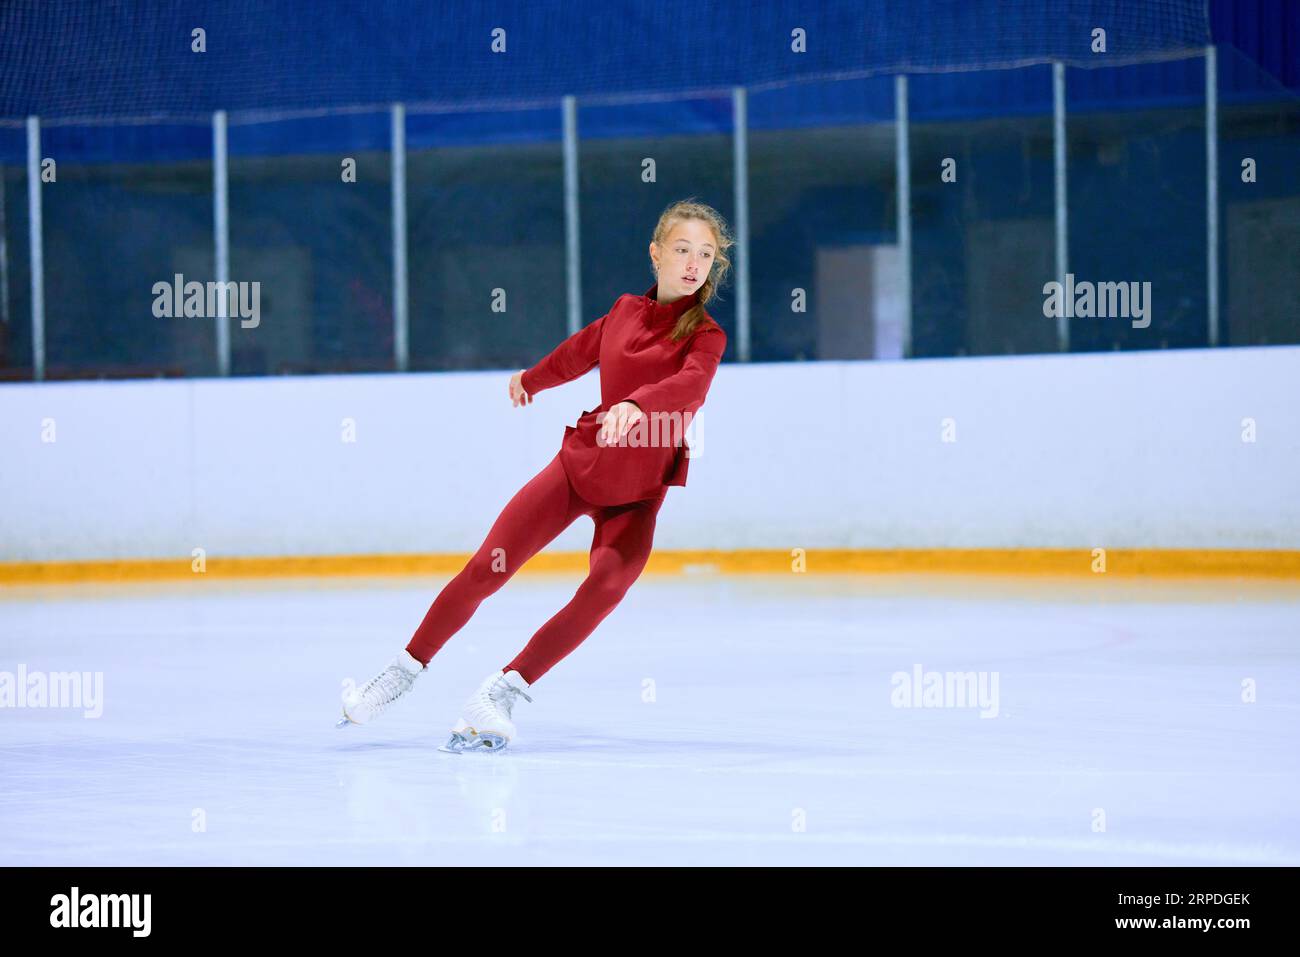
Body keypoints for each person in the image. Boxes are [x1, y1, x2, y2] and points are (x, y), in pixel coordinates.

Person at [339, 198, 732, 752]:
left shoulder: (706, 335)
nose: (694, 263)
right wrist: (533, 378)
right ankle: (404, 670)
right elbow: (579, 352)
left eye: (706, 255)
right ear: (656, 253)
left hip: (638, 496)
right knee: (487, 568)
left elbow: (692, 386)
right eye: (683, 249)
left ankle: (500, 692)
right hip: (580, 469)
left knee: (606, 588)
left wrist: (640, 405)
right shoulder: (623, 312)